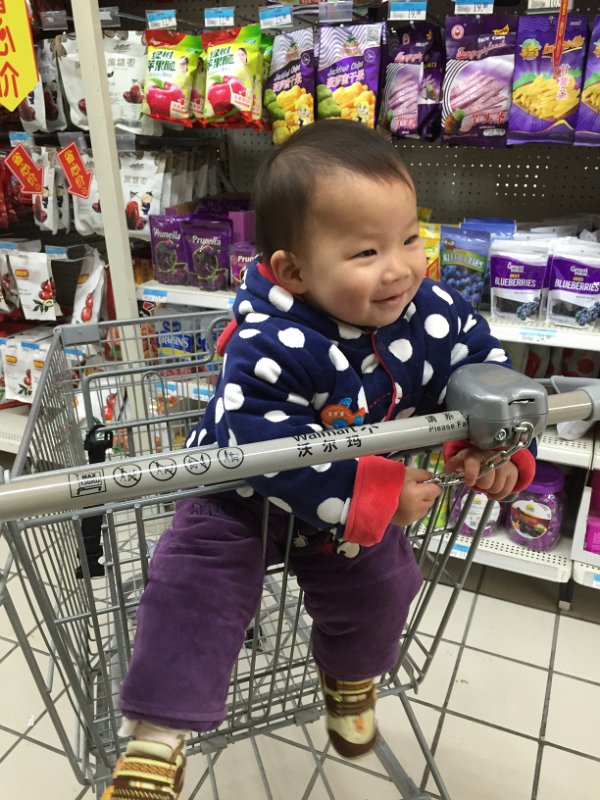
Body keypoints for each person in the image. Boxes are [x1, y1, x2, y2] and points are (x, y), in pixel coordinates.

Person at [103, 119, 535, 799]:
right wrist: (379, 494)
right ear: (293, 272)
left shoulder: (432, 312)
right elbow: (264, 445)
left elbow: (480, 366)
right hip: (237, 494)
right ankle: (157, 737)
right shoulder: (269, 338)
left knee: (383, 585)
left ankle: (350, 678)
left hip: (345, 504)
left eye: (409, 238)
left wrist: (497, 441)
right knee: (191, 589)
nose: (400, 267)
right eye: (366, 251)